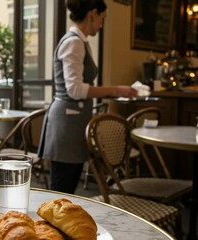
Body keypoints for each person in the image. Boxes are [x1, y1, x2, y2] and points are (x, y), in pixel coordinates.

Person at [38, 0, 138, 194]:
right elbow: (74, 90)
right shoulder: (74, 42)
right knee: (61, 193)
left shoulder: (80, 41)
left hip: (73, 123)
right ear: (92, 14)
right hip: (66, 126)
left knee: (66, 192)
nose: (102, 24)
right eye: (102, 18)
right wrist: (115, 90)